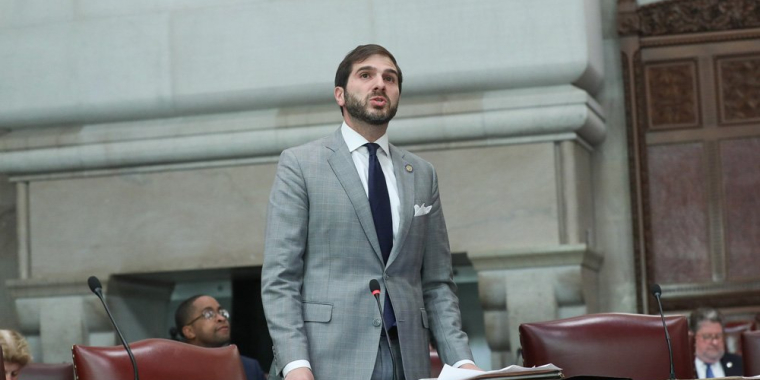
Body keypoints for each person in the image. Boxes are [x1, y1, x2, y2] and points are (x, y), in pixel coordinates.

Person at [261, 44, 480, 380]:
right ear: (340, 94)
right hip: (326, 359)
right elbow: (281, 279)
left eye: (389, 78)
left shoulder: (422, 173)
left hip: (409, 357)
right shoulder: (301, 165)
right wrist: (295, 365)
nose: (380, 84)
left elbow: (437, 283)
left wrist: (462, 362)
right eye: (366, 75)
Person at [171, 295, 266, 380]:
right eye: (208, 314)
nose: (222, 318)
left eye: (221, 312)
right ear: (189, 331)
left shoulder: (249, 367)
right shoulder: (172, 368)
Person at [690, 308, 743, 378]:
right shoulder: (682, 367)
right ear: (693, 336)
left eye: (718, 336)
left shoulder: (741, 364)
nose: (715, 342)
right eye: (707, 336)